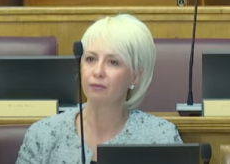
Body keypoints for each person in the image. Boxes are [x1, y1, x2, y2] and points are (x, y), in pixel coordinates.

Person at [15, 14, 183, 164]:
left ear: (135, 76)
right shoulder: (43, 135)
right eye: (90, 59)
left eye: (113, 62)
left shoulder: (161, 137)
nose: (98, 71)